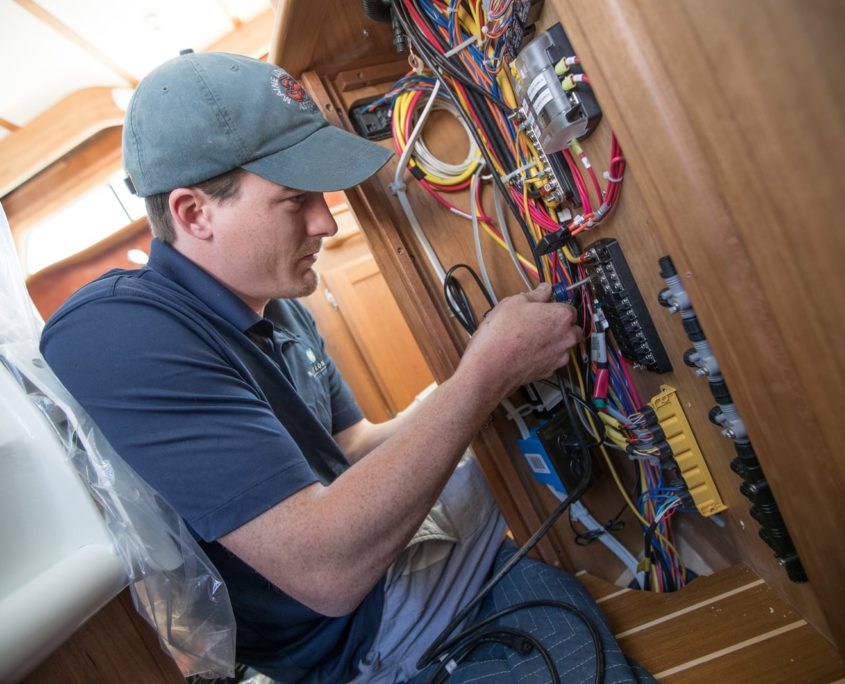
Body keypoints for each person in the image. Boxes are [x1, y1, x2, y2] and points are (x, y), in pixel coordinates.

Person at [41, 52, 652, 683]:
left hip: (408, 586)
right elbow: (325, 571)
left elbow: (352, 446)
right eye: (294, 200)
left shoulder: (279, 308)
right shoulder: (115, 332)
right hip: (362, 638)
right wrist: (484, 376)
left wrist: (481, 374)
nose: (326, 222)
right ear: (196, 213)